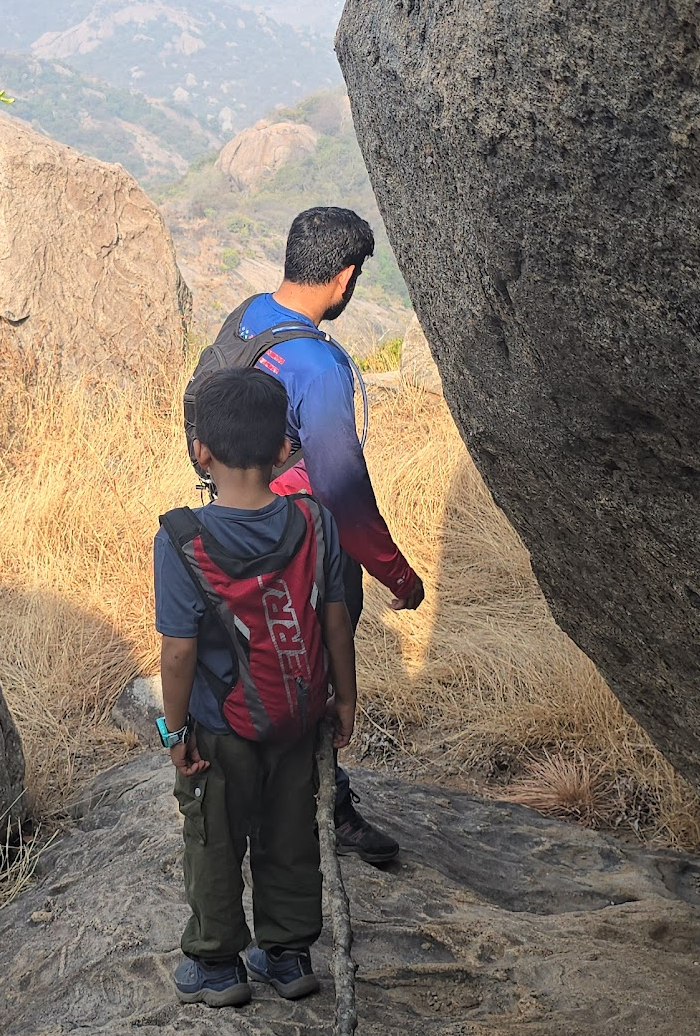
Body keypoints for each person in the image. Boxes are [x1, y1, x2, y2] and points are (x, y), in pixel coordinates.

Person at [153, 367, 358, 1007]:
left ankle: (218, 967)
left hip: (220, 728)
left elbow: (180, 649)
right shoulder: (315, 523)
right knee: (290, 832)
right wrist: (344, 698)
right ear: (282, 450)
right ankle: (288, 953)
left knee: (213, 836)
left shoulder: (183, 539)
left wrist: (175, 729)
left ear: (200, 451)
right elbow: (334, 619)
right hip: (298, 718)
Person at [238, 205, 425, 864]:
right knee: (307, 674)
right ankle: (326, 807)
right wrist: (399, 575)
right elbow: (342, 494)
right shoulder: (316, 367)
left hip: (233, 520)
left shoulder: (248, 318)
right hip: (296, 539)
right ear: (344, 278)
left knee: (257, 663)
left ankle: (278, 794)